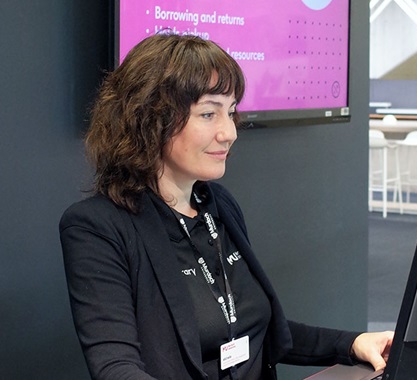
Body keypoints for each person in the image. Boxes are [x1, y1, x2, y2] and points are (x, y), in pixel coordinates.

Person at [59, 33, 393, 380]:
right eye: (208, 113)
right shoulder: (96, 227)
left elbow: (254, 329)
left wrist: (351, 343)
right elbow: (116, 369)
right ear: (149, 119)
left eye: (230, 112)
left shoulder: (219, 206)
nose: (229, 132)